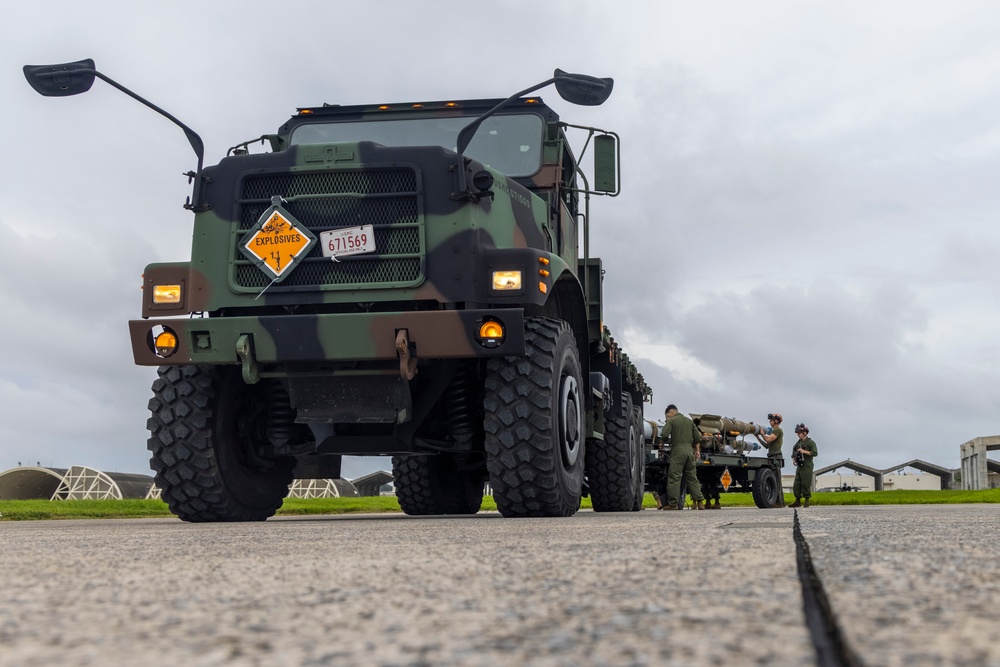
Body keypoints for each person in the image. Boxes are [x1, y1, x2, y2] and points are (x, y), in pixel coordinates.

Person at [659, 404, 706, 510]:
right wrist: (697, 451)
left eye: (667, 416)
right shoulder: (689, 421)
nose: (668, 417)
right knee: (692, 478)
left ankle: (673, 504)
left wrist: (663, 442)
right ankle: (700, 502)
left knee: (674, 478)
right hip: (690, 453)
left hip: (677, 453)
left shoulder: (672, 421)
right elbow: (698, 438)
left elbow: (664, 435)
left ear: (670, 413)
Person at [758, 412, 786, 507]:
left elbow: (768, 440)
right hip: (772, 456)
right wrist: (757, 436)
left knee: (776, 480)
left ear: (776, 421)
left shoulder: (778, 430)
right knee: (774, 479)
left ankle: (779, 502)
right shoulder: (773, 431)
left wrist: (762, 434)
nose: (770, 421)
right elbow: (766, 445)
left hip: (776, 457)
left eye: (771, 420)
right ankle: (778, 502)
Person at [789, 423, 818, 507]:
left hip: (807, 466)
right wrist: (794, 459)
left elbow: (815, 453)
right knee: (797, 484)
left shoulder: (811, 442)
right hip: (800, 466)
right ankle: (797, 501)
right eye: (797, 433)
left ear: (804, 433)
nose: (798, 434)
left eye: (799, 433)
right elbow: (794, 450)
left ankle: (807, 500)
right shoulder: (798, 443)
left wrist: (804, 451)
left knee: (806, 483)